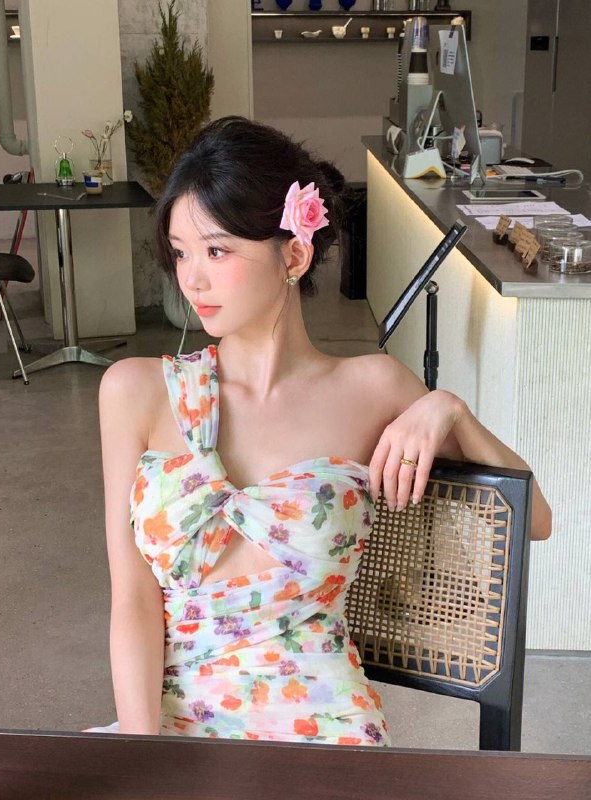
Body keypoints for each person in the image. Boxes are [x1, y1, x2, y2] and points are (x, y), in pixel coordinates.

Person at [93, 116, 551, 745]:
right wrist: (144, 756)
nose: (191, 278)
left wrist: (450, 409)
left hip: (322, 725)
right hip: (168, 725)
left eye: (217, 251)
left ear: (294, 253)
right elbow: (133, 600)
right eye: (180, 251)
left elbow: (536, 518)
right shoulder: (135, 391)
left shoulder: (372, 388)